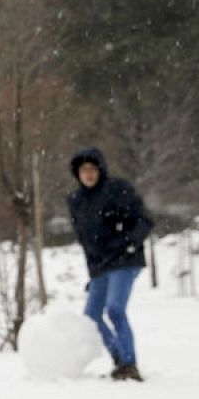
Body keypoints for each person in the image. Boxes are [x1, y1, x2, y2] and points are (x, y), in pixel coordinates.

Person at [67, 147, 154, 382]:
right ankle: (119, 358)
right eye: (83, 170)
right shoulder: (76, 201)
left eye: (92, 169)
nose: (88, 174)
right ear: (77, 173)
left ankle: (130, 364)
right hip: (100, 266)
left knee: (115, 309)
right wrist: (92, 275)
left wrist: (129, 242)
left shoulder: (117, 189)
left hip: (125, 259)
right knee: (91, 316)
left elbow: (145, 220)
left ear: (101, 170)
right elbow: (85, 242)